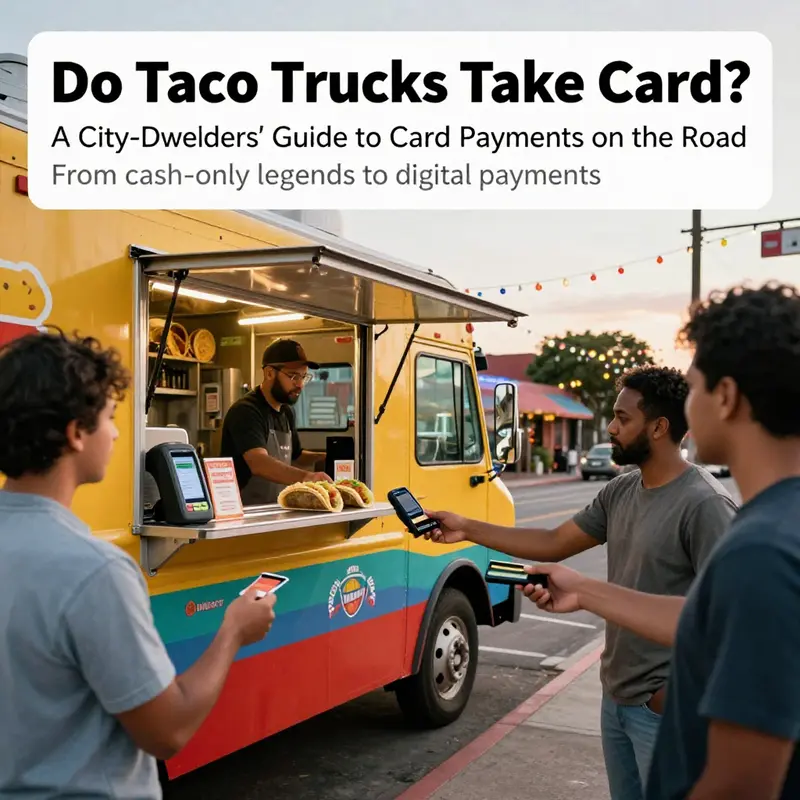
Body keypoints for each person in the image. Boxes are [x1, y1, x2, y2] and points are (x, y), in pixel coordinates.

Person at [524, 283, 800, 800]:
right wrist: (585, 590)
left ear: (727, 397)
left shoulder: (759, 551)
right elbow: (713, 620)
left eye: (694, 388)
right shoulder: (780, 526)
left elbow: (739, 786)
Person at [423, 365, 737, 800]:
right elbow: (553, 542)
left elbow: (731, 621)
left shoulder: (705, 504)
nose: (610, 426)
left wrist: (670, 697)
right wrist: (466, 528)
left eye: (623, 418)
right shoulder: (622, 490)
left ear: (660, 427)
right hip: (617, 698)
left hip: (665, 708)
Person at [0, 331, 278, 799]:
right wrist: (234, 629)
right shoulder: (94, 571)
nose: (114, 433)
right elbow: (167, 731)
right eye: (109, 418)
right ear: (75, 432)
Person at [220, 337, 330, 505]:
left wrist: (328, 457)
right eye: (293, 376)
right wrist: (307, 477)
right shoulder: (246, 411)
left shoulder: (286, 411)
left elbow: (296, 456)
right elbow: (259, 462)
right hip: (246, 511)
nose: (300, 384)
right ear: (269, 373)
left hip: (276, 508)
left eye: (303, 377)